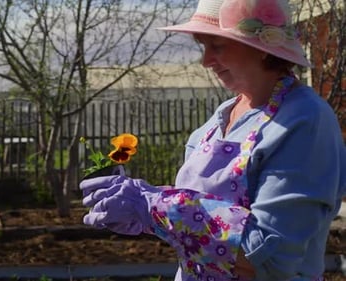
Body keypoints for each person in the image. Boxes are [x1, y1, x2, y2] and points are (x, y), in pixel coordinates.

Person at [79, 0, 346, 280]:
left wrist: (154, 207)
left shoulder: (304, 121)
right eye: (202, 46)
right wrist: (144, 215)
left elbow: (266, 257)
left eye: (217, 45)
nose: (206, 61)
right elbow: (199, 225)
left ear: (262, 50)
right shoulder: (220, 118)